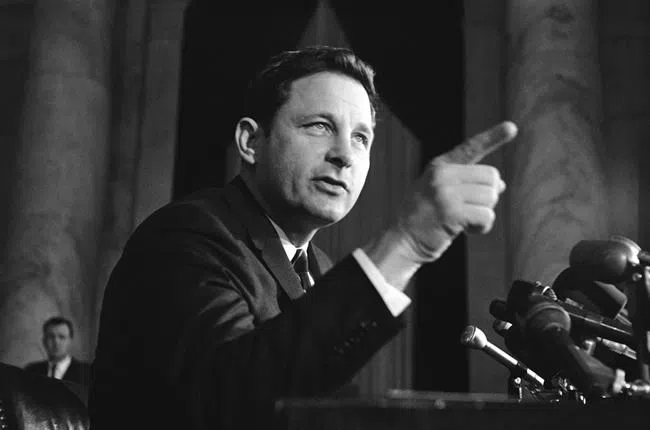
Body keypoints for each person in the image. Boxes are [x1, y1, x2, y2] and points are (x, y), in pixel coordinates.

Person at [89, 45, 517, 430]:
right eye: (319, 126)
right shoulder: (184, 236)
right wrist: (405, 245)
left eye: (361, 137)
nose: (344, 155)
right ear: (250, 141)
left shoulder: (319, 267)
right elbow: (232, 402)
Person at [24, 316, 91, 388]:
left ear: (70, 341)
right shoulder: (31, 371)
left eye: (62, 337)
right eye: (51, 337)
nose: (56, 342)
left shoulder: (87, 373)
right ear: (44, 341)